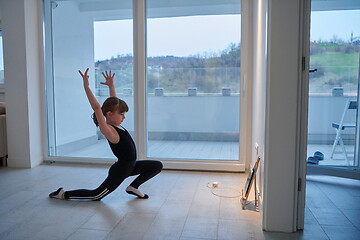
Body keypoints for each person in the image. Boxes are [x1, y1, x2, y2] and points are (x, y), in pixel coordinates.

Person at [49, 68, 163, 200]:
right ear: (109, 115)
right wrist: (86, 86)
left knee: (156, 166)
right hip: (121, 170)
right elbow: (97, 107)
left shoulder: (116, 124)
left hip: (130, 166)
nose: (124, 117)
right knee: (96, 195)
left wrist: (111, 85)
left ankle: (133, 187)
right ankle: (62, 194)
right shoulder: (108, 129)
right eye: (121, 114)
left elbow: (114, 102)